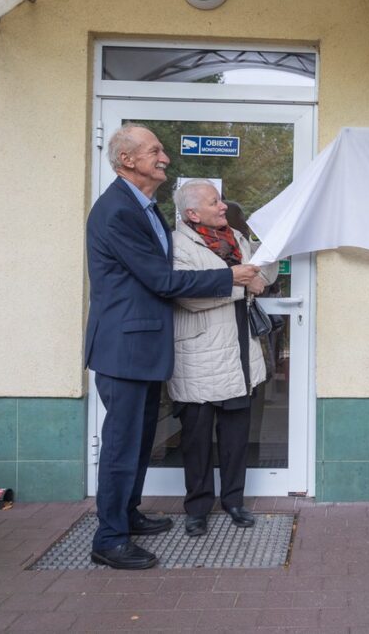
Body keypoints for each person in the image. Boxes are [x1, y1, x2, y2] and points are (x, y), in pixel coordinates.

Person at [85, 124, 260, 570]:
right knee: (122, 446)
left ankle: (127, 515)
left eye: (161, 150)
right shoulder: (117, 211)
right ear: (127, 160)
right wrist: (230, 277)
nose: (164, 157)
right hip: (124, 349)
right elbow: (162, 281)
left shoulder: (145, 208)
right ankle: (109, 539)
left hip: (144, 349)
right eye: (155, 151)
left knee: (141, 442)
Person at [167, 180, 277, 536]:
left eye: (221, 201)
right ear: (192, 213)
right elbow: (188, 296)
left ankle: (234, 502)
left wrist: (271, 256)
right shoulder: (176, 244)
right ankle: (197, 508)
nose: (223, 207)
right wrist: (242, 284)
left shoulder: (237, 239)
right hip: (198, 355)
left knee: (234, 437)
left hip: (238, 353)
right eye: (214, 202)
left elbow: (261, 275)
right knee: (196, 440)